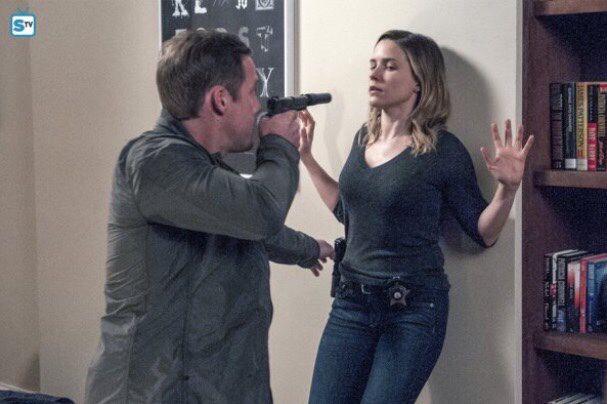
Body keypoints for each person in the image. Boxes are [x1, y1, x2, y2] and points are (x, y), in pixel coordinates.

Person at [84, 30, 334, 403]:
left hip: (211, 383)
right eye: (252, 92)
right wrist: (280, 145)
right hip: (153, 391)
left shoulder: (201, 166)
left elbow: (241, 226)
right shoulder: (155, 160)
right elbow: (258, 213)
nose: (257, 106)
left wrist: (308, 248)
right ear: (220, 100)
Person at [301, 30, 534, 404]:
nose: (375, 73)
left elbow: (482, 233)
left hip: (412, 310)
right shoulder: (363, 138)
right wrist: (308, 159)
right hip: (351, 302)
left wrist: (507, 189)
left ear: (419, 81)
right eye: (373, 64)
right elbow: (348, 212)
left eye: (390, 66)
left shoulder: (444, 150)